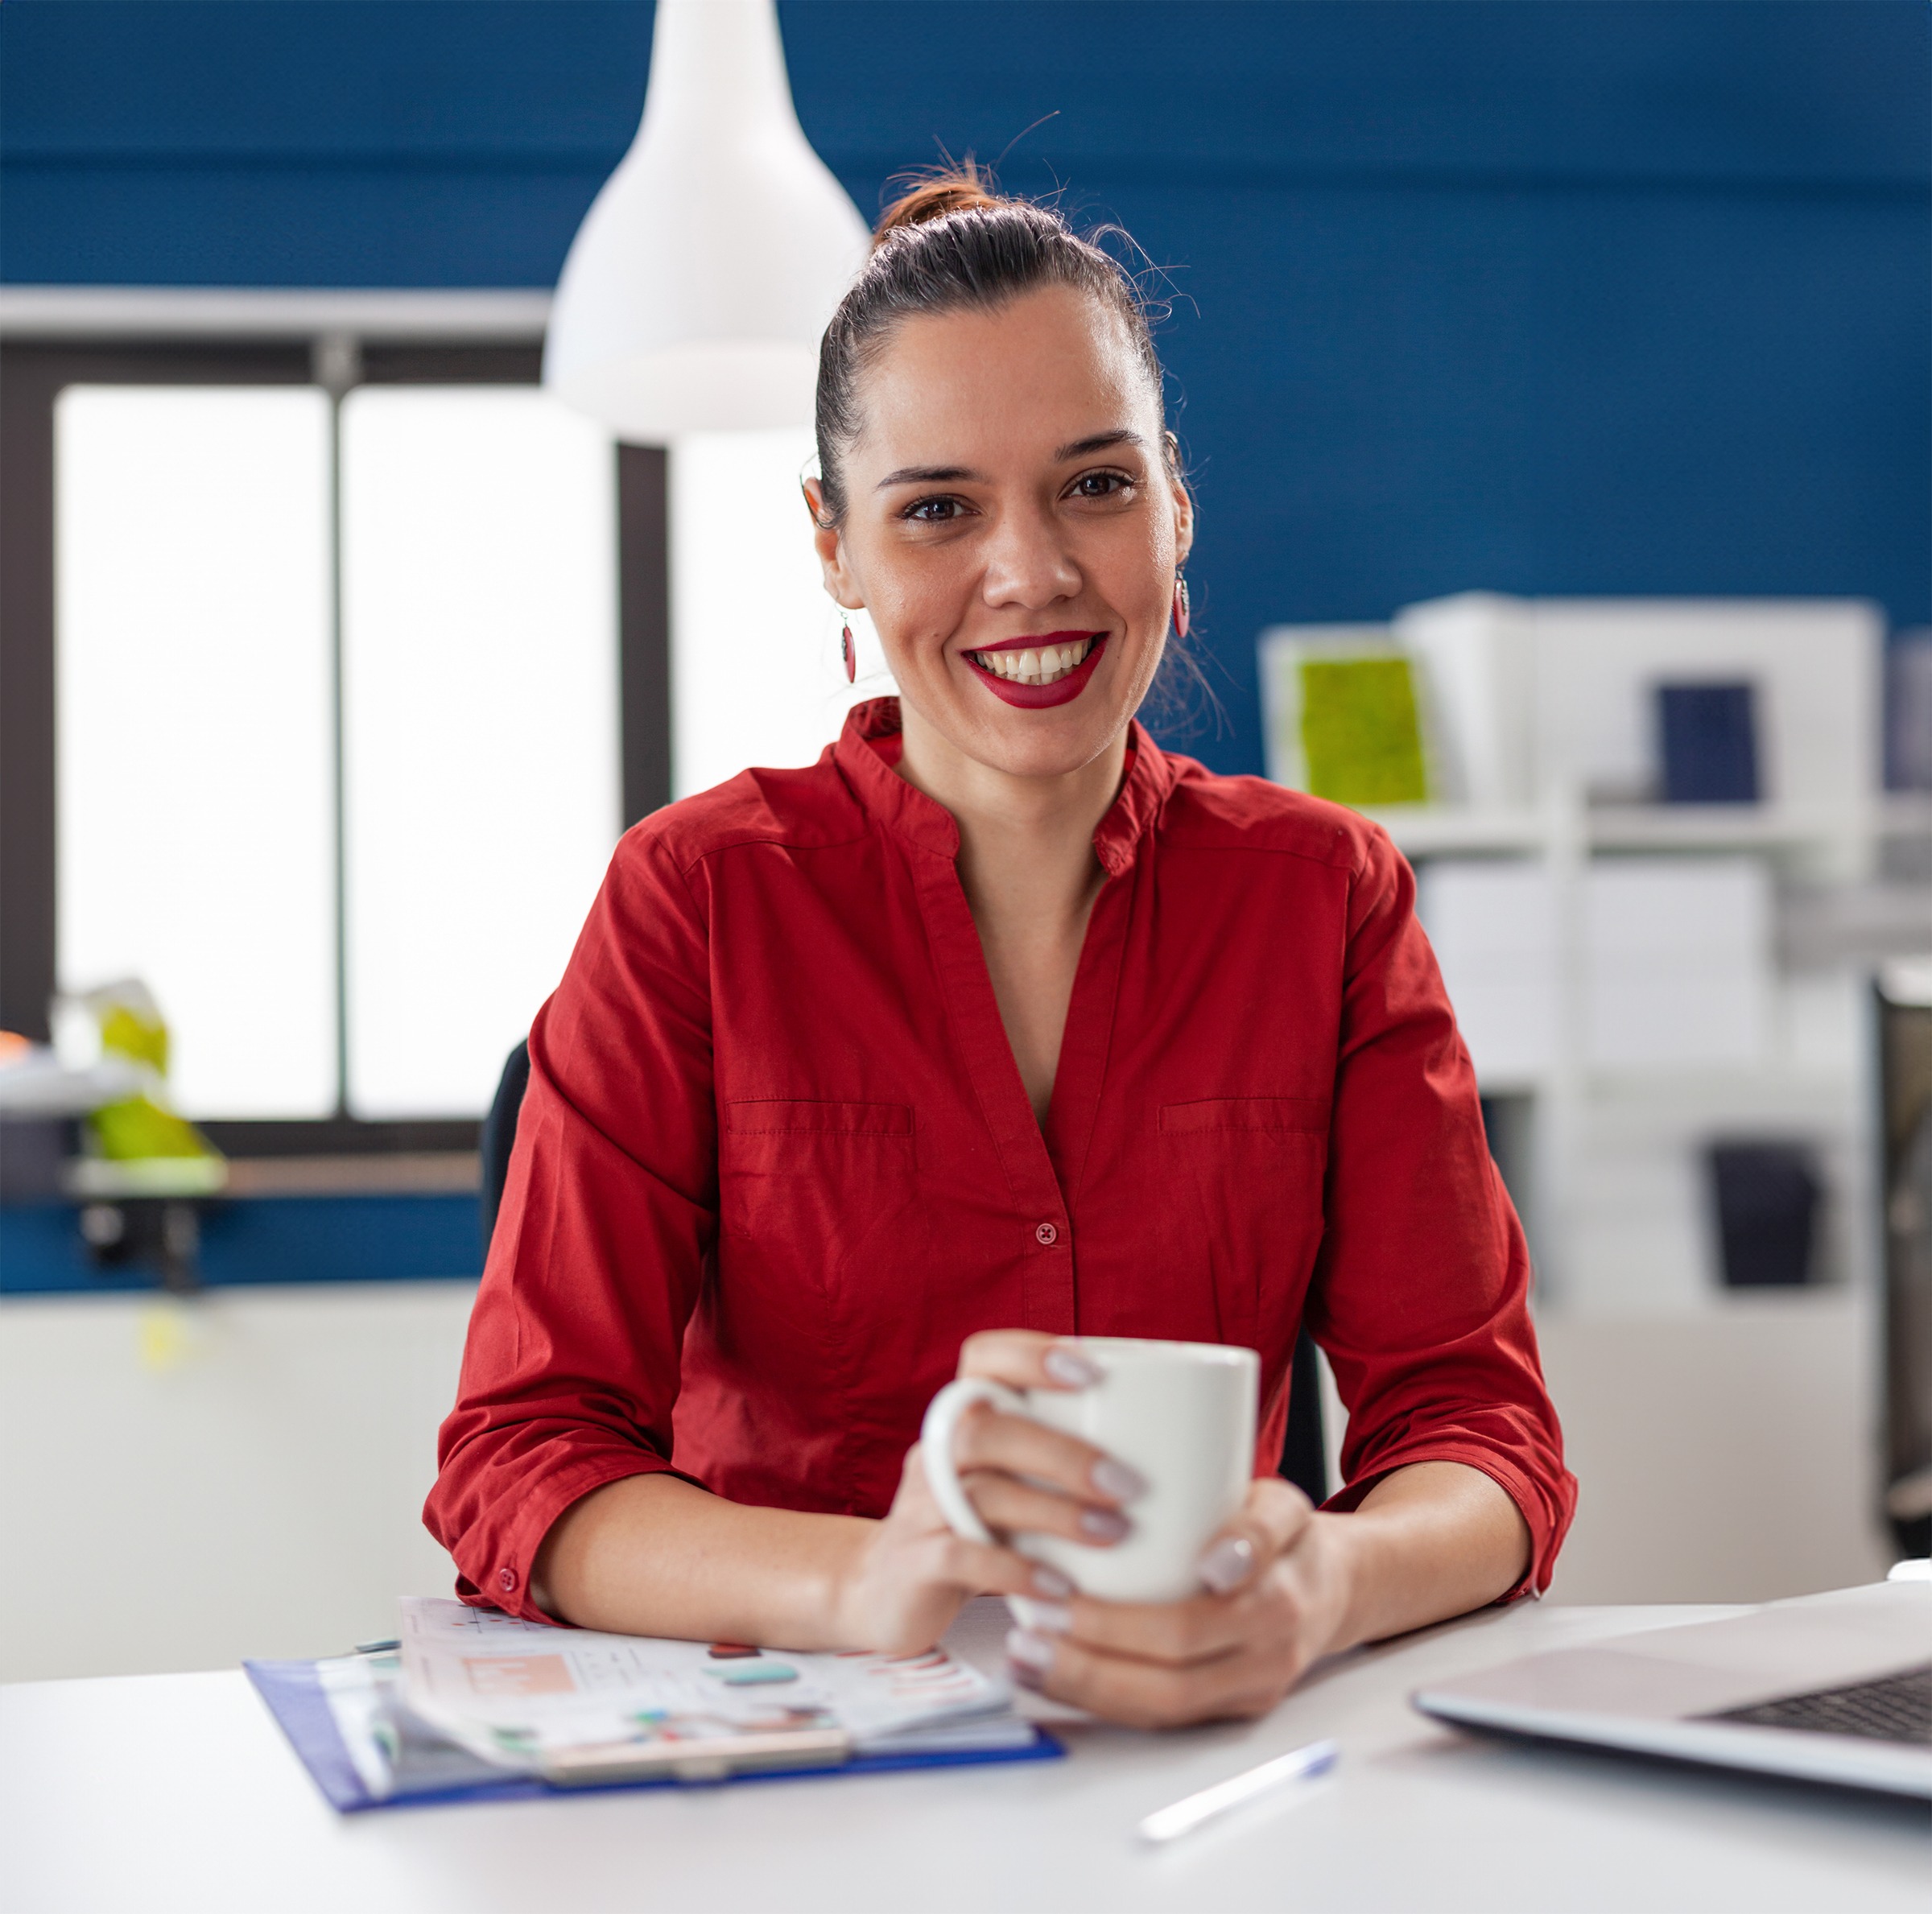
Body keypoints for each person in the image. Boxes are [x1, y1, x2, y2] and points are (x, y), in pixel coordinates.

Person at [427, 171, 1575, 1729]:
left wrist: (1327, 1585)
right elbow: (524, 1454)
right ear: (835, 544)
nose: (1030, 573)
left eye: (1094, 486)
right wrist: (865, 1577)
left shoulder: (1327, 900)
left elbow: (1481, 1432)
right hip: (786, 1774)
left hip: (1204, 1755)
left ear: (1175, 496)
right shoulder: (692, 904)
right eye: (939, 508)